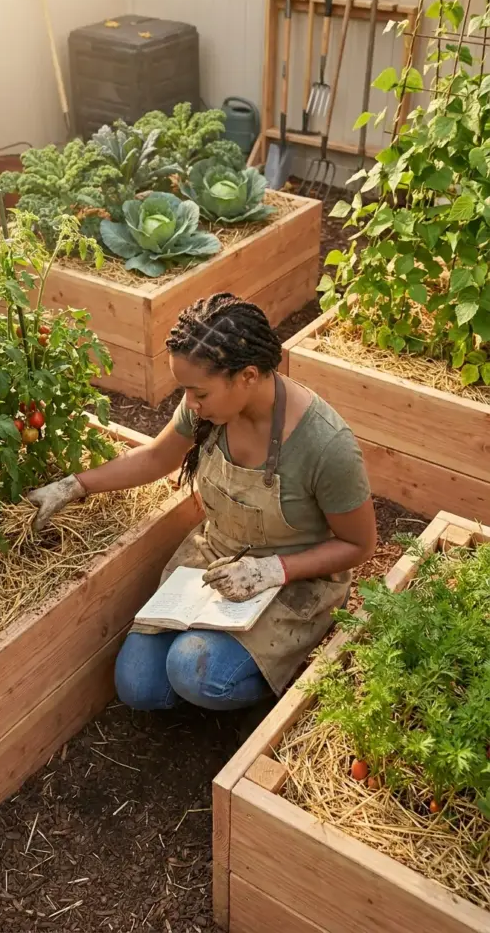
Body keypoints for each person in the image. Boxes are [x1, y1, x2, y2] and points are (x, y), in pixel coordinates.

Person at [28, 293, 376, 712]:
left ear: (247, 376)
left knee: (194, 670)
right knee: (139, 685)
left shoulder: (325, 446)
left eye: (198, 393)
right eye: (185, 391)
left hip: (294, 577)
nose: (189, 404)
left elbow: (359, 545)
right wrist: (72, 486)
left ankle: (273, 671)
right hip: (217, 555)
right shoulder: (210, 409)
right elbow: (157, 457)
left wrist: (272, 570)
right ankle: (224, 662)